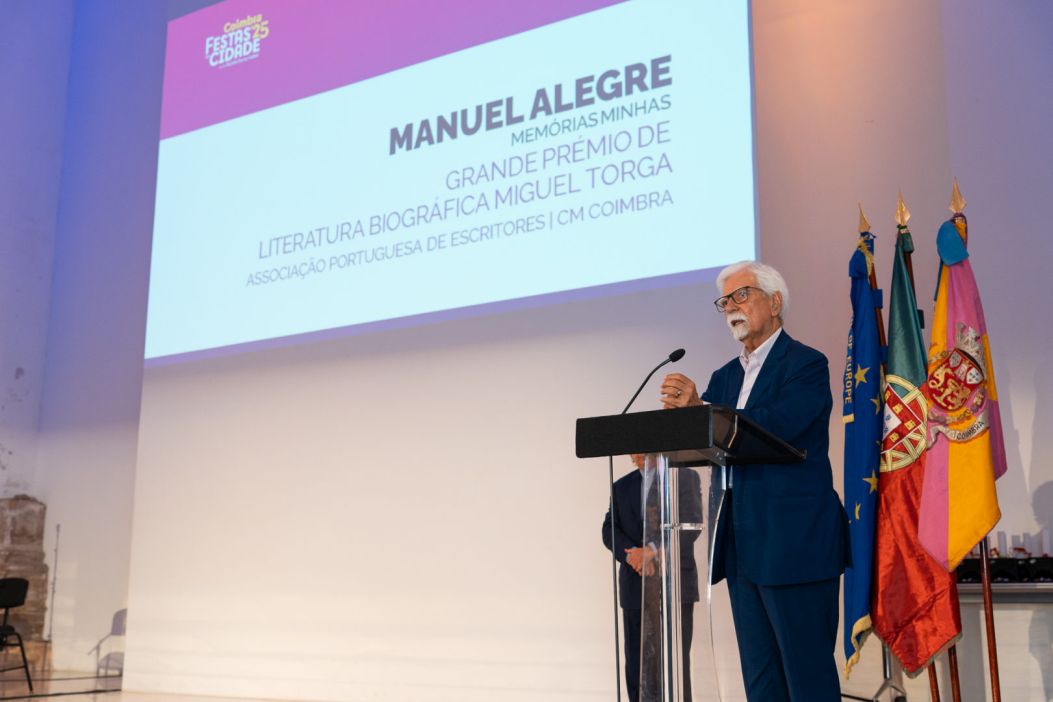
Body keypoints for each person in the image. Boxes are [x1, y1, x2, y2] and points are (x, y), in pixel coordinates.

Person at [659, 260, 849, 702]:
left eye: (741, 295)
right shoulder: (724, 377)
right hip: (741, 547)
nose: (730, 306)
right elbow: (711, 441)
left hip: (794, 546)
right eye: (724, 301)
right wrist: (687, 420)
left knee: (808, 682)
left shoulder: (806, 364)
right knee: (761, 685)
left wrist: (702, 412)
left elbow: (780, 426)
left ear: (775, 302)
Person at [602, 454, 701, 701]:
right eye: (631, 450)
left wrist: (653, 552)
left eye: (640, 448)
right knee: (636, 665)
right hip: (634, 586)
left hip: (674, 585)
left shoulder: (685, 477)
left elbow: (691, 524)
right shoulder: (621, 486)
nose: (634, 455)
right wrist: (633, 556)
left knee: (675, 665)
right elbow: (609, 529)